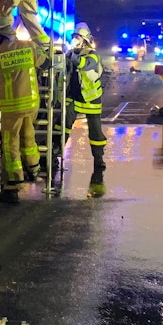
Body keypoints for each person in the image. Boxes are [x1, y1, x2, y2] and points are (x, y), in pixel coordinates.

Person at [0, 28, 47, 204]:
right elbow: (43, 57)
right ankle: (33, 167)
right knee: (28, 136)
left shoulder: (0, 51)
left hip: (12, 106)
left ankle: (12, 184)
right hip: (31, 103)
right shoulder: (29, 47)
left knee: (10, 145)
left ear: (0, 37)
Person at [66, 23, 108, 196]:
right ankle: (54, 156)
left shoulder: (93, 55)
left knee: (95, 132)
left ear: (84, 40)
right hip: (74, 96)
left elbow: (87, 65)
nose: (75, 40)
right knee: (62, 127)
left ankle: (99, 159)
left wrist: (75, 59)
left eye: (78, 38)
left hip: (91, 98)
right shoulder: (70, 53)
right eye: (73, 37)